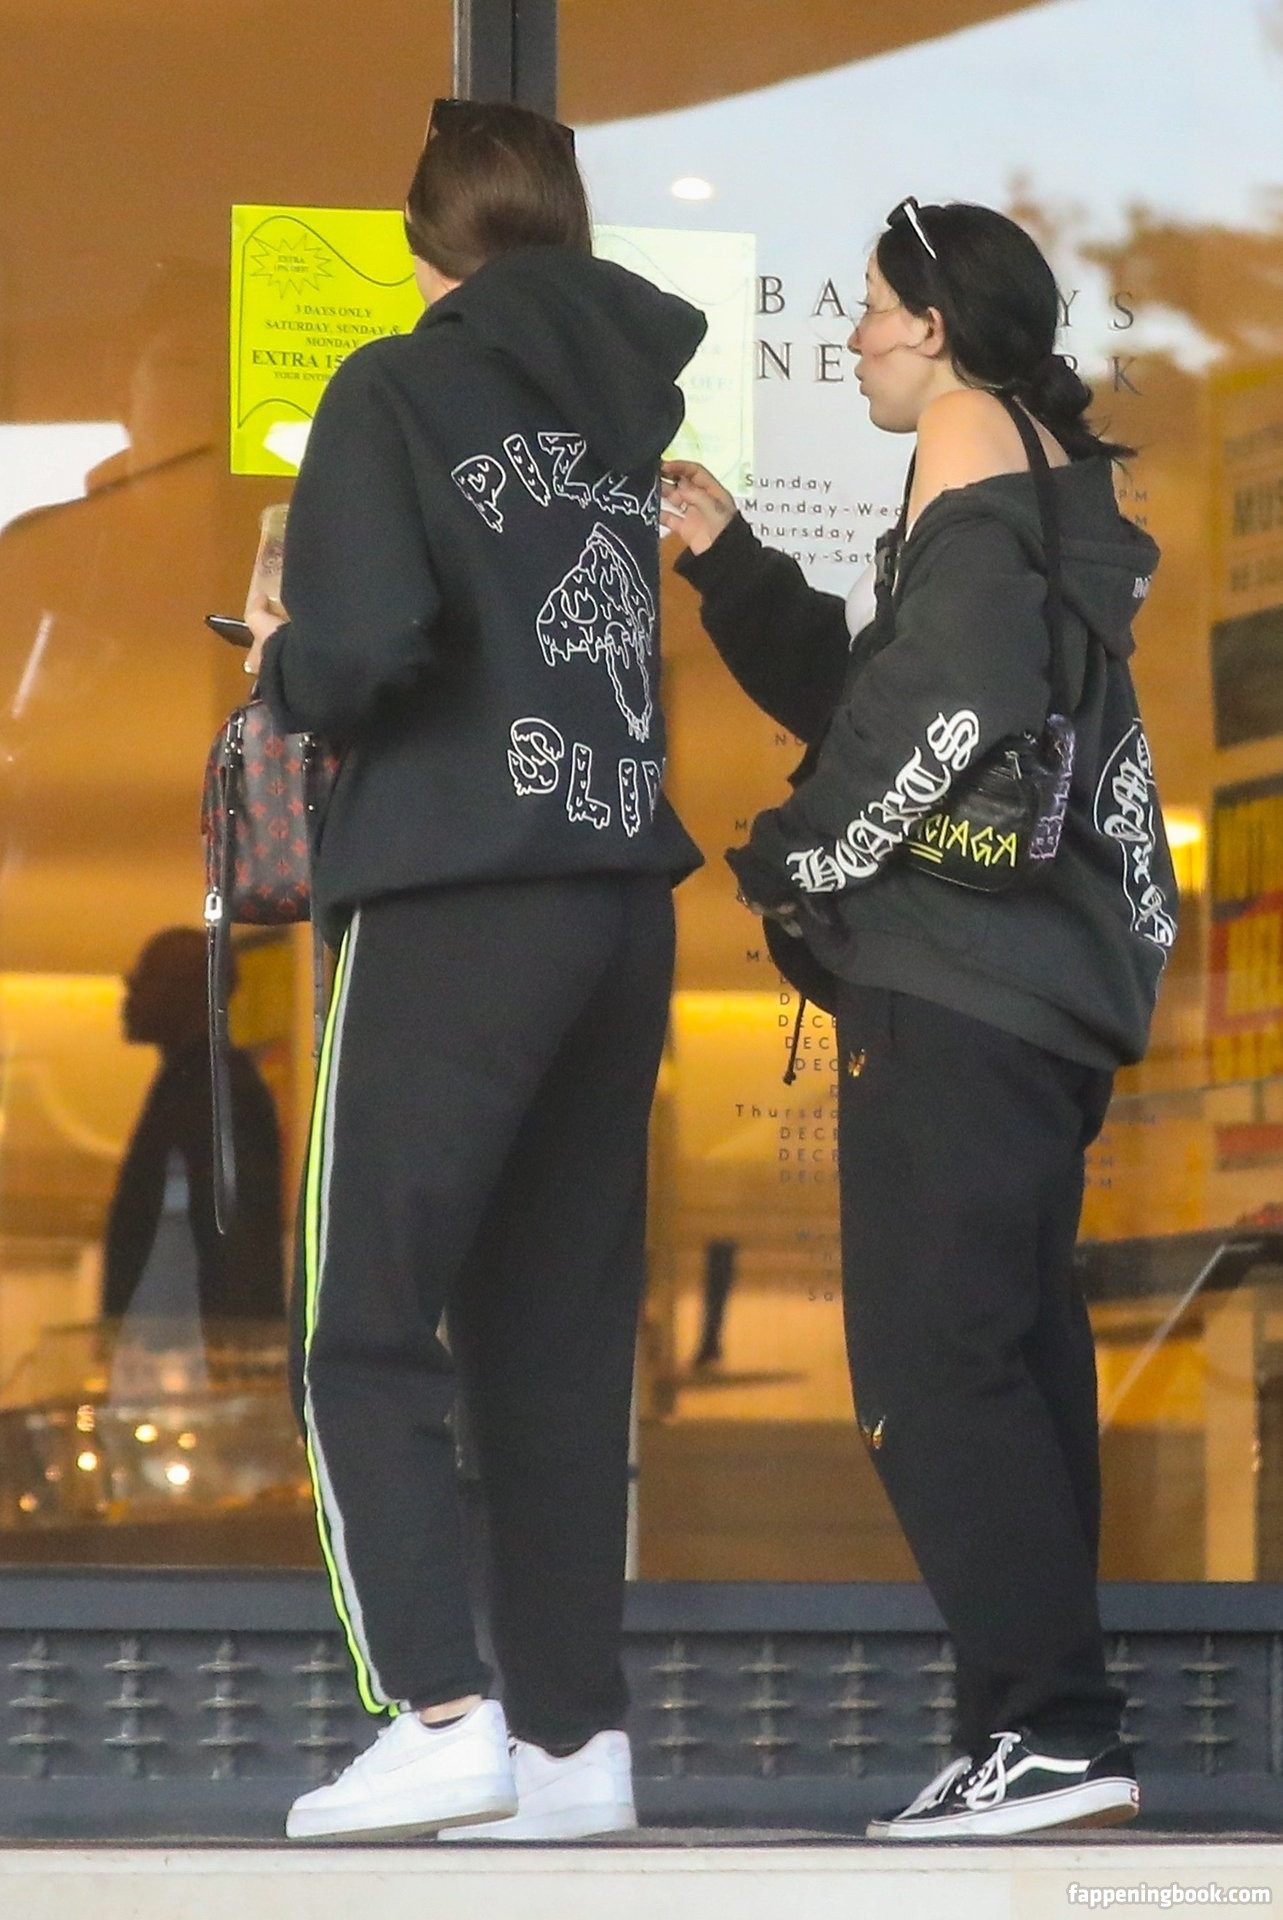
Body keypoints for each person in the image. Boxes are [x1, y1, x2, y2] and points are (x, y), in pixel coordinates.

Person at [662, 198, 1177, 1841]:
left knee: (930, 1366)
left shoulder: (961, 437)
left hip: (955, 982)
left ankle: (1047, 1730)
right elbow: (893, 688)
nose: (854, 342)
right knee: (1008, 1359)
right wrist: (735, 565)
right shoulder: (1041, 480)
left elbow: (945, 703)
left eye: (873, 311)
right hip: (1040, 993)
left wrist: (797, 854)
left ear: (935, 327)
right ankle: (1028, 1734)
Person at [244, 99, 705, 1843]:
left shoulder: (394, 385)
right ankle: (574, 1749)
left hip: (453, 893)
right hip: (615, 896)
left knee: (362, 1320)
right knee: (554, 1337)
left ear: (419, 243)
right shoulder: (615, 412)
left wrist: (281, 659)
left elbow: (367, 651)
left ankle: (436, 1711)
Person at [103, 926, 284, 1326]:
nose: (129, 989)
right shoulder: (199, 1085)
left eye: (144, 976)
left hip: (194, 1348)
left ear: (186, 990)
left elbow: (236, 1245)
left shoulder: (220, 1091)